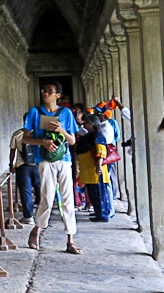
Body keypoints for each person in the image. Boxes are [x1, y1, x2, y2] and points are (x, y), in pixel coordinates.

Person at [23, 82, 81, 254]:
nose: (45, 94)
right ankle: (37, 229)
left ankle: (71, 239)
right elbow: (26, 138)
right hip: (44, 159)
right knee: (47, 198)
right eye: (44, 91)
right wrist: (43, 142)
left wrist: (61, 129)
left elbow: (72, 141)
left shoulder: (66, 113)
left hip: (64, 159)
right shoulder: (35, 112)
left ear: (58, 95)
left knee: (68, 200)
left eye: (50, 92)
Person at [75, 114, 112, 221]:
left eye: (86, 123)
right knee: (93, 193)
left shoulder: (98, 135)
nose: (84, 124)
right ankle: (98, 212)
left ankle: (103, 215)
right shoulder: (90, 135)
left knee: (99, 194)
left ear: (91, 124)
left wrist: (98, 166)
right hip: (89, 172)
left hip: (96, 171)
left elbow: (101, 151)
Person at [8, 127, 39, 223]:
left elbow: (12, 151)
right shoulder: (39, 133)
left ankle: (28, 216)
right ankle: (42, 215)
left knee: (25, 192)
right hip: (38, 165)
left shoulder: (17, 134)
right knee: (41, 189)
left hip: (22, 166)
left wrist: (11, 164)